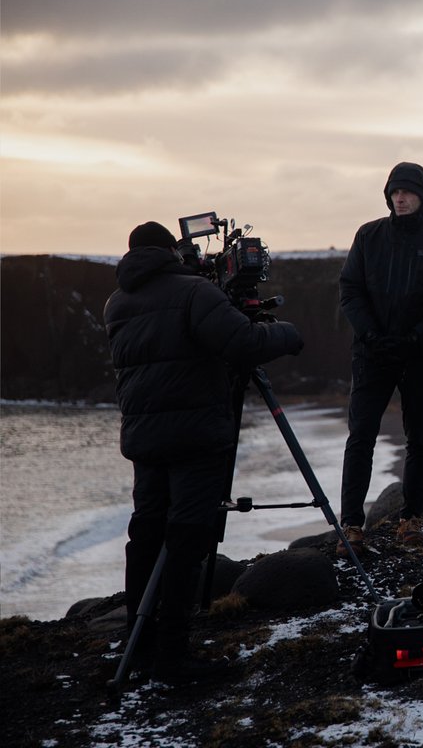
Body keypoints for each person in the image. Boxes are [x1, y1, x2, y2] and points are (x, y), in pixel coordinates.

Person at [104, 220, 303, 684]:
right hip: (195, 438)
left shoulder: (116, 302)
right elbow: (244, 343)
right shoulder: (194, 293)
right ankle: (174, 657)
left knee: (147, 537)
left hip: (145, 441)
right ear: (171, 251)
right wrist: (288, 335)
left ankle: (142, 645)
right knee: (187, 540)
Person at [337, 161, 423, 557]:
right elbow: (350, 289)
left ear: (422, 195)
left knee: (420, 437)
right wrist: (372, 335)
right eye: (395, 191)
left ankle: (411, 519)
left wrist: (414, 337)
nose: (401, 197)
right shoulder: (369, 235)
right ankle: (352, 524)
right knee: (361, 437)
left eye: (408, 191)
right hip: (372, 353)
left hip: (421, 355)